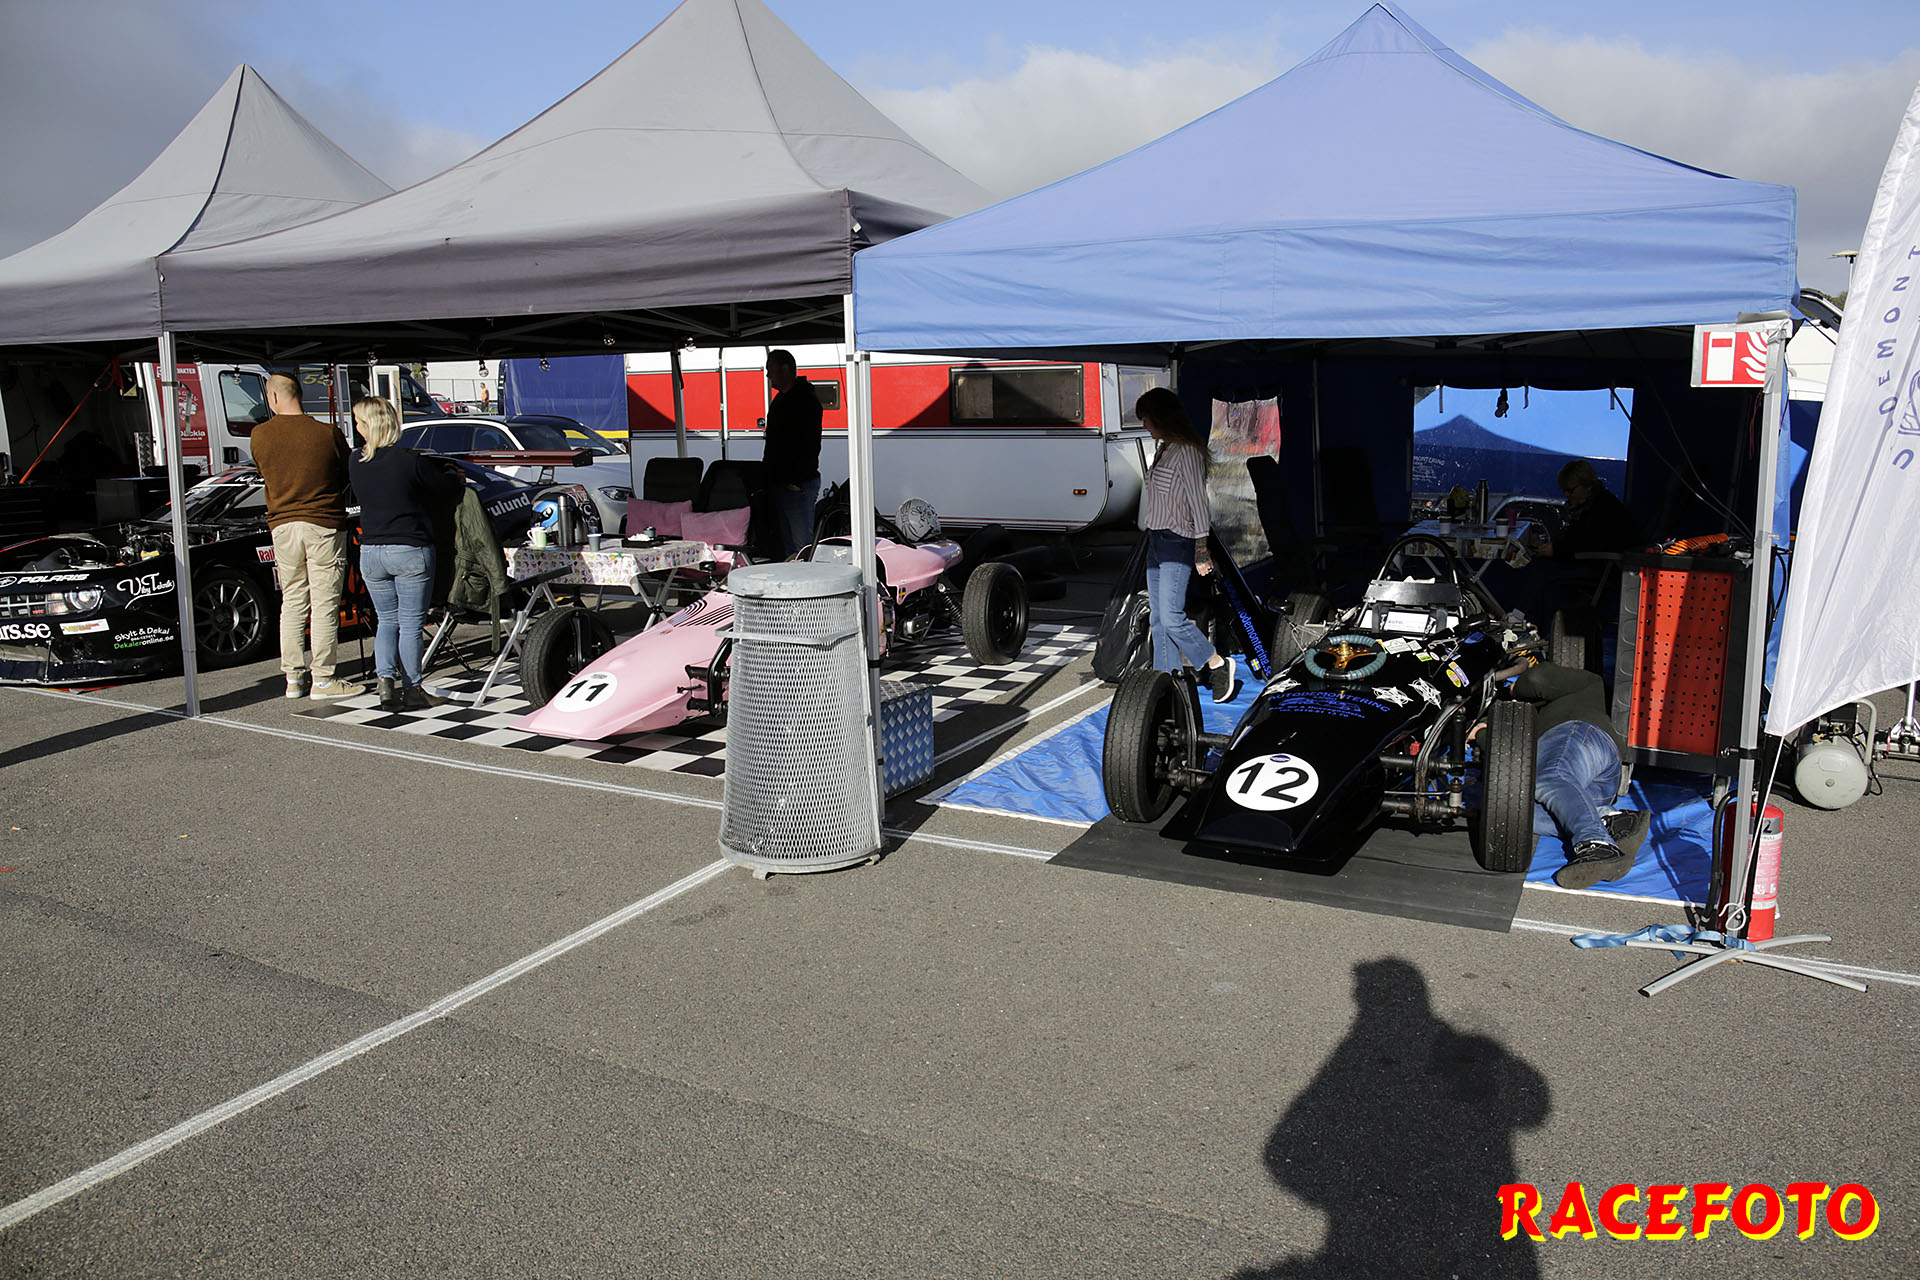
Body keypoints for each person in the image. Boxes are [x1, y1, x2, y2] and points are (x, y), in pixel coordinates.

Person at [1489, 656, 1652, 889]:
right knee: (1510, 812)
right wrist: (1483, 734)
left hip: (1580, 736)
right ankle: (1609, 821)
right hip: (1596, 779)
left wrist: (1513, 689)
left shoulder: (1588, 685)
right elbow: (1507, 766)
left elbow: (1537, 678)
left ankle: (1596, 843)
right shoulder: (1538, 717)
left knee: (1550, 778)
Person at [349, 396, 464, 712]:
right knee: (411, 624)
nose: (357, 428)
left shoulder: (355, 461)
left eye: (359, 422)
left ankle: (385, 682)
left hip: (371, 551)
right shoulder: (410, 462)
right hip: (409, 548)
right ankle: (412, 688)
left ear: (369, 426)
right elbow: (446, 486)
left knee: (386, 620)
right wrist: (453, 474)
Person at [251, 373, 361, 699]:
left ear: (273, 397)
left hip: (282, 525)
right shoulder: (327, 433)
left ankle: (293, 677)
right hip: (323, 522)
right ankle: (323, 678)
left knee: (293, 601)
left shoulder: (260, 435)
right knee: (324, 602)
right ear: (299, 394)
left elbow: (263, 472)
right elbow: (346, 472)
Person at [1135, 387, 1236, 703]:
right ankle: (1167, 682)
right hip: (1155, 540)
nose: (1144, 425)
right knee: (1158, 619)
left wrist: (1201, 549)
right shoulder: (1163, 450)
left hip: (1177, 540)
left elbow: (1198, 502)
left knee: (1171, 616)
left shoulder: (1187, 452)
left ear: (1160, 417)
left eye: (1146, 419)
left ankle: (1216, 662)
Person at [762, 348, 822, 556]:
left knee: (800, 546)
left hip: (797, 484)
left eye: (770, 368)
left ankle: (807, 576)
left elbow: (810, 444)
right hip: (782, 482)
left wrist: (795, 481)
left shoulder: (805, 401)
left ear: (785, 368)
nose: (768, 374)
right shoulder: (782, 400)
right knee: (788, 545)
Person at [1536, 458, 1639, 560]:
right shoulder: (1589, 505)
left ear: (1588, 486)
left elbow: (1590, 546)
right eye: (1564, 490)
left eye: (1570, 490)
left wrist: (1557, 550)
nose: (1566, 495)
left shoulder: (1604, 509)